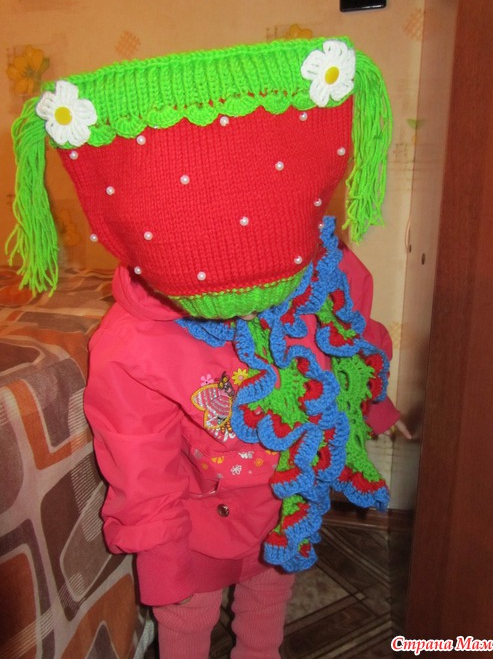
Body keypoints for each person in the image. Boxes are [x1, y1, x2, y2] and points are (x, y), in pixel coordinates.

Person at [9, 36, 410, 658]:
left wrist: (373, 409)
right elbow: (140, 462)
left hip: (284, 501)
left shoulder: (328, 276)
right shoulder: (132, 345)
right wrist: (163, 552)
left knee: (270, 596)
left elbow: (352, 346)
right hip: (196, 524)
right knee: (186, 618)